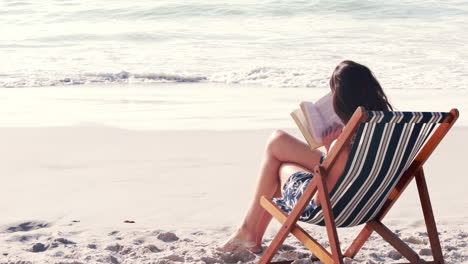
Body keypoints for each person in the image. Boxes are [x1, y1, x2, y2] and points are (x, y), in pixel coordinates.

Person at [219, 60, 393, 253]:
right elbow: (352, 170)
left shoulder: (341, 148)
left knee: (279, 165)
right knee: (278, 142)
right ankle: (250, 234)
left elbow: (321, 198)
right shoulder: (387, 130)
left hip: (334, 208)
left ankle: (248, 232)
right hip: (367, 202)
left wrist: (330, 149)